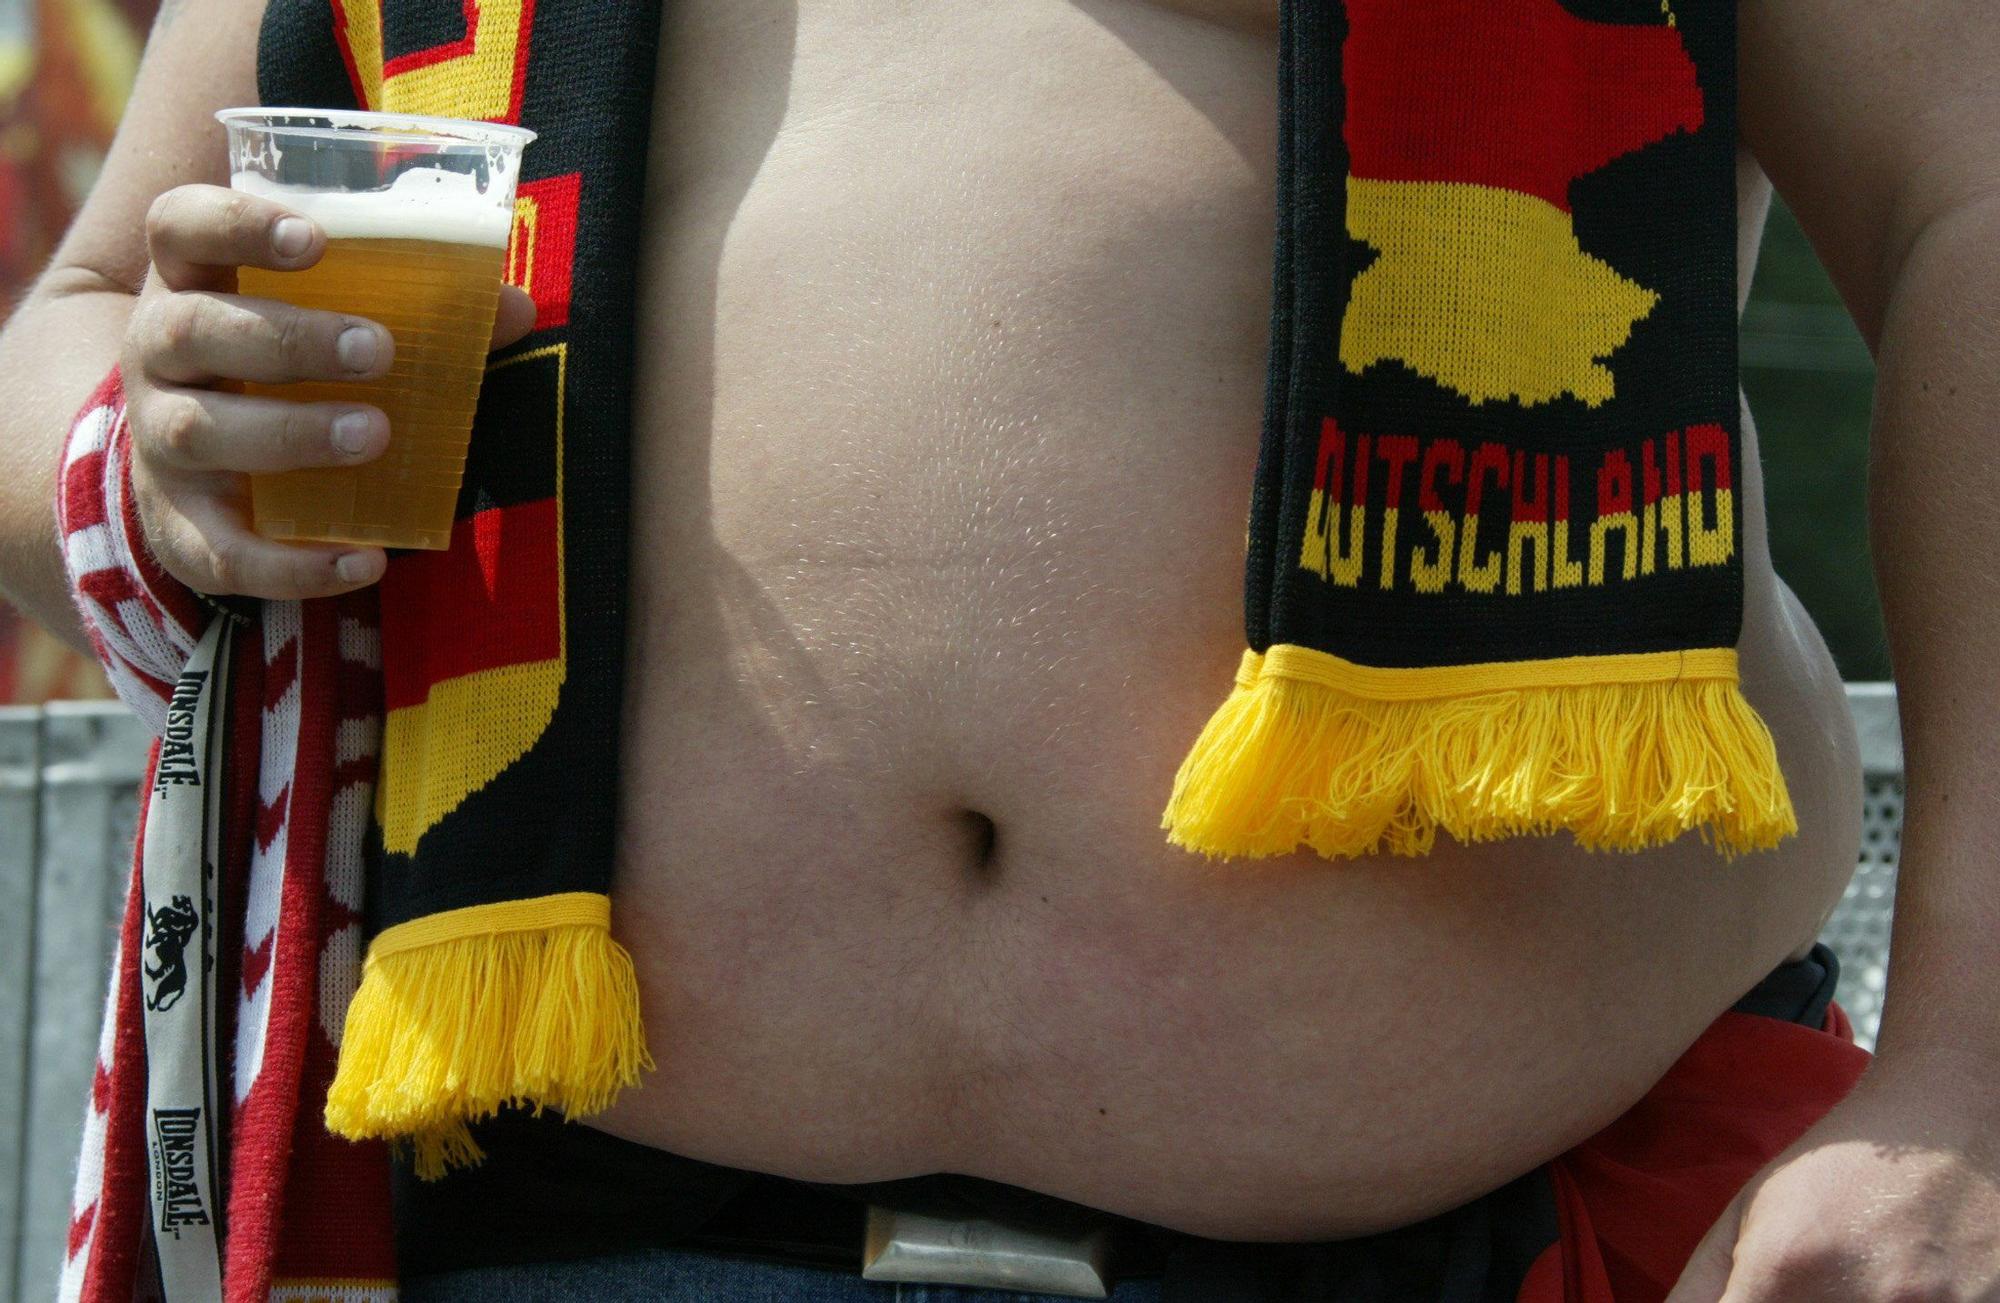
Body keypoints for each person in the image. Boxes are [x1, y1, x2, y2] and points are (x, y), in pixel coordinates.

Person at [0, 0, 1995, 1299]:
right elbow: (78, 317)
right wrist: (153, 449)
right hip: (562, 1226)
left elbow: (1969, 193)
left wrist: (1972, 1091)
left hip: (1505, 1240)